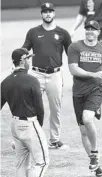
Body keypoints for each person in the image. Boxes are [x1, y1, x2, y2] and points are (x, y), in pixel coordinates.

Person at [22, 2, 72, 149]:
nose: (48, 14)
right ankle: (27, 138)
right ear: (41, 14)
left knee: (55, 108)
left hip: (55, 75)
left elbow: (71, 54)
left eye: (50, 11)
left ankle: (54, 140)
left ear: (54, 13)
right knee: (31, 107)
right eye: (45, 12)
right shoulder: (33, 32)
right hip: (36, 74)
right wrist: (21, 55)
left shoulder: (63, 33)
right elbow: (25, 48)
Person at [68, 20, 102, 177]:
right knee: (83, 131)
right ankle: (96, 163)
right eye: (87, 29)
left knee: (87, 118)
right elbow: (73, 69)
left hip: (96, 90)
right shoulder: (75, 47)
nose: (90, 31)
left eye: (93, 29)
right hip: (78, 93)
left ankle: (94, 152)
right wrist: (93, 74)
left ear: (98, 32)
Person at [1, 48, 49, 177]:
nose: (30, 61)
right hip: (30, 124)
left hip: (15, 126)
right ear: (22, 60)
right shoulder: (32, 80)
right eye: (28, 58)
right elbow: (40, 108)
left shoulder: (5, 82)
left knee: (21, 164)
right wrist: (38, 126)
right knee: (42, 162)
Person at [70, 0, 102, 87]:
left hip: (101, 30)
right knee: (89, 56)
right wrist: (73, 28)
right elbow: (81, 15)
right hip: (89, 31)